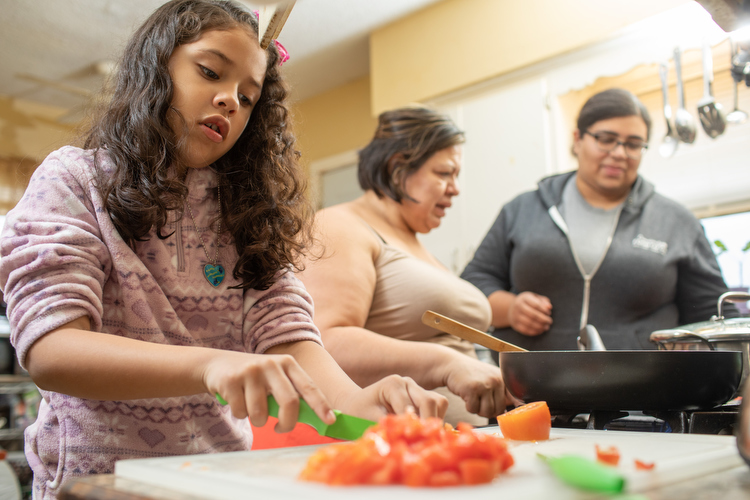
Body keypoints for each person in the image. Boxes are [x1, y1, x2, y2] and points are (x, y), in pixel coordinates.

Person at [0, 2, 447, 497]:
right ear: (155, 66)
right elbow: (53, 350)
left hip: (219, 483)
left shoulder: (245, 213)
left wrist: (359, 401)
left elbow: (290, 339)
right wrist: (212, 364)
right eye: (210, 72)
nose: (230, 101)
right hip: (99, 483)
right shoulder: (74, 180)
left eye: (248, 97)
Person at [461, 88, 736, 352]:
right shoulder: (522, 209)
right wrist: (509, 309)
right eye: (606, 139)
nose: (619, 153)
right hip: (530, 388)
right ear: (578, 139)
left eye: (633, 144)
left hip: (644, 392)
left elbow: (715, 314)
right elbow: (471, 284)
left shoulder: (677, 222)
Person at [298, 106, 508, 427]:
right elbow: (323, 342)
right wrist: (447, 364)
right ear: (398, 167)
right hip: (399, 449)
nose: (455, 189)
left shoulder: (414, 242)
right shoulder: (339, 226)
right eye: (443, 173)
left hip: (465, 441)